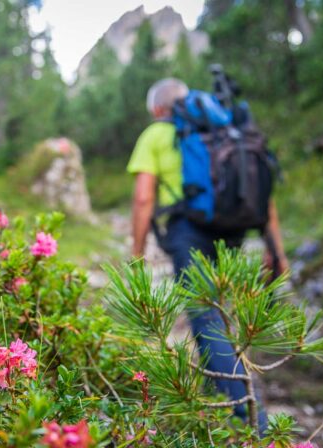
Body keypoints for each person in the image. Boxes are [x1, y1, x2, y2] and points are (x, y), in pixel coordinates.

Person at [126, 78, 289, 430]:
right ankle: (220, 398)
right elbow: (264, 195)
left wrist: (136, 252)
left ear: (158, 110)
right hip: (234, 229)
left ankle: (252, 421)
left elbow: (143, 199)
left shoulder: (156, 135)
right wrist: (276, 249)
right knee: (214, 310)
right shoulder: (227, 131)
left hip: (190, 230)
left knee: (205, 317)